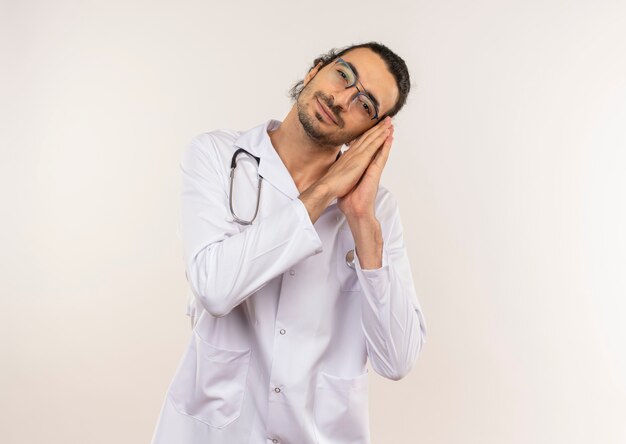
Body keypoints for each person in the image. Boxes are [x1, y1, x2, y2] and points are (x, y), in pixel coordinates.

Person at [151, 41, 428, 444]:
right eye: (343, 75)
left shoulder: (377, 211)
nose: (342, 99)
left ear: (368, 134)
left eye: (365, 104)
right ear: (315, 70)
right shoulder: (216, 155)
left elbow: (397, 360)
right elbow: (213, 288)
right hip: (212, 432)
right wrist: (325, 190)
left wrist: (363, 224)